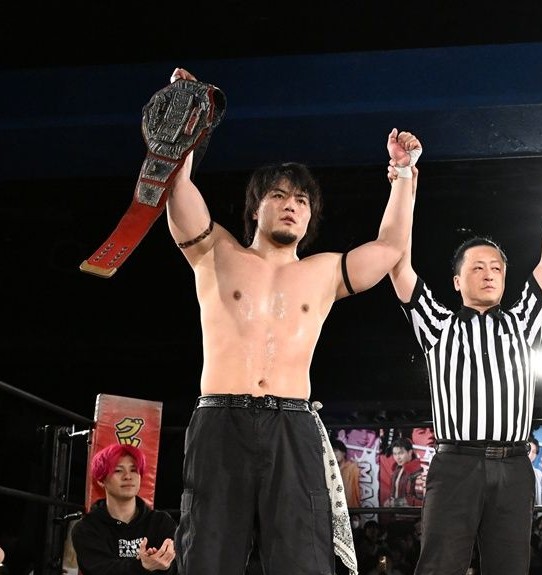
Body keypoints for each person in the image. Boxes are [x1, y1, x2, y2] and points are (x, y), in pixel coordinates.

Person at [166, 67, 420, 574]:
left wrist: (403, 173)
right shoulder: (216, 252)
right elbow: (177, 189)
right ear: (255, 208)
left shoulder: (323, 272)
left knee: (302, 558)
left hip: (293, 422)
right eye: (279, 196)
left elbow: (390, 247)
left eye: (301, 201)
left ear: (310, 217)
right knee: (208, 556)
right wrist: (182, 118)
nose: (291, 206)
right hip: (220, 420)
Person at [385, 149, 542, 574]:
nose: (489, 273)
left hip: (514, 464)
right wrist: (403, 181)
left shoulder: (523, 321)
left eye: (496, 267)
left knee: (510, 568)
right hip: (455, 463)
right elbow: (397, 263)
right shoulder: (438, 324)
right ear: (457, 281)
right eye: (477, 267)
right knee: (439, 567)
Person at [71, 444, 177, 574]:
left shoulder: (161, 522)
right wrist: (143, 566)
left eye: (134, 470)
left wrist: (165, 565)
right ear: (101, 480)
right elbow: (102, 570)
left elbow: (180, 566)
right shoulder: (87, 528)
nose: (128, 476)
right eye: (118, 471)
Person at [383, 437, 425, 511]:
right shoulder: (396, 470)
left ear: (410, 452)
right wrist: (389, 501)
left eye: (401, 453)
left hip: (412, 515)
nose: (397, 457)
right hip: (396, 514)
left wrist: (399, 502)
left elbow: (422, 501)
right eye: (395, 454)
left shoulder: (418, 471)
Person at [333, 438, 362, 509]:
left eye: (336, 451)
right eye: (331, 452)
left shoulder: (352, 468)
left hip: (351, 508)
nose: (334, 454)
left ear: (343, 453)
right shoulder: (330, 471)